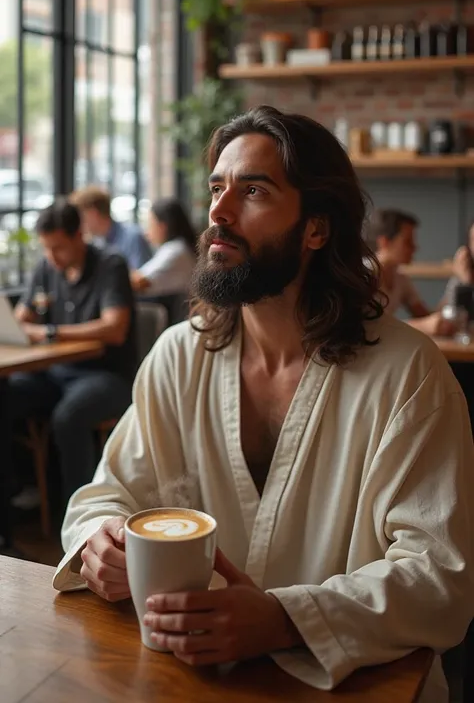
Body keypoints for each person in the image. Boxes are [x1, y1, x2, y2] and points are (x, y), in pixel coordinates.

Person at [53, 108, 474, 703]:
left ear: (316, 228)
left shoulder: (408, 374)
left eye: (253, 191)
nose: (219, 213)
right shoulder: (179, 356)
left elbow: (440, 575)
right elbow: (107, 491)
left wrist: (285, 618)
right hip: (189, 679)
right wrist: (101, 537)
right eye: (217, 188)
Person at [10, 199, 136, 504]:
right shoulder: (46, 267)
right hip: (56, 373)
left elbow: (115, 328)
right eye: (46, 249)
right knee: (6, 395)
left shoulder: (110, 264)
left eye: (58, 248)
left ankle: (78, 512)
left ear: (79, 235)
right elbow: (21, 319)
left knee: (69, 416)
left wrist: (50, 333)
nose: (51, 257)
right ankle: (16, 499)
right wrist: (23, 327)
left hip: (108, 375)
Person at [367, 208, 454, 337]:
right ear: (384, 242)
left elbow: (424, 316)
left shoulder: (400, 277)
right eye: (408, 242)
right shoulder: (363, 275)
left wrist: (456, 280)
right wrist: (422, 326)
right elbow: (368, 326)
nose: (415, 247)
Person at [71, 185, 152, 270]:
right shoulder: (94, 242)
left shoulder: (133, 238)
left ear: (93, 213)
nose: (78, 223)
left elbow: (141, 278)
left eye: (80, 216)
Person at [130, 198, 196, 299]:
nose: (146, 232)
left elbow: (140, 282)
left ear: (162, 226)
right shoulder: (179, 247)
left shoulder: (175, 250)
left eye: (150, 224)